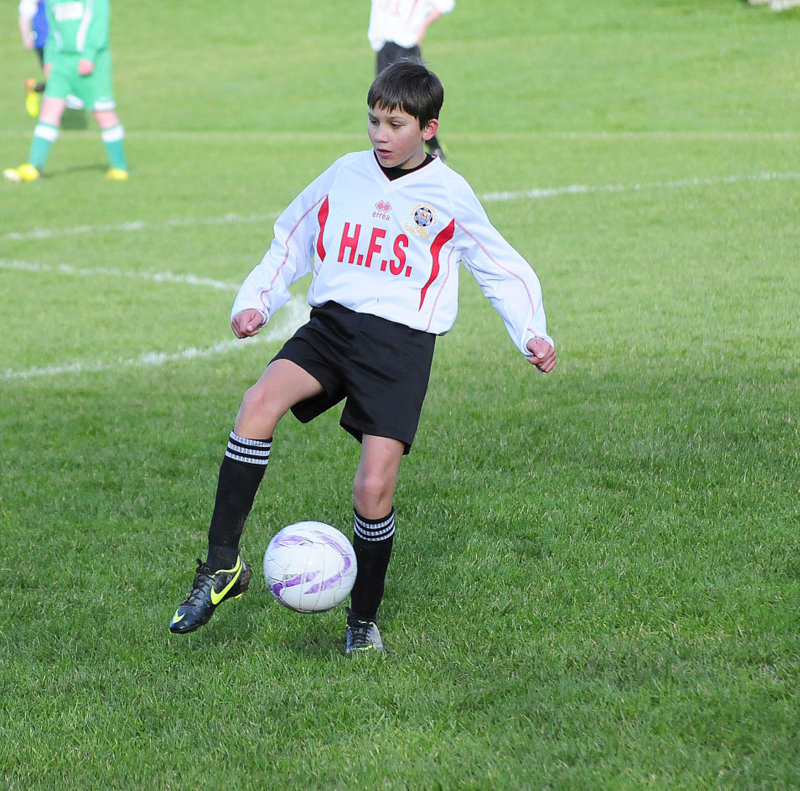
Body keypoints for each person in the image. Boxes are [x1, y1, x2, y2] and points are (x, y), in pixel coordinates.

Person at [168, 61, 557, 655]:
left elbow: (500, 266)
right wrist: (256, 301)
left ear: (428, 128)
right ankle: (221, 566)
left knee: (372, 489)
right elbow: (291, 237)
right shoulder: (344, 174)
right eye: (374, 120)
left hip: (400, 347)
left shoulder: (448, 193)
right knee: (257, 404)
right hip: (332, 327)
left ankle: (362, 621)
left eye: (395, 124)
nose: (380, 134)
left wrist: (531, 331)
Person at [4, 0, 128, 182]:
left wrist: (89, 55)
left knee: (103, 113)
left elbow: (98, 24)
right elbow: (53, 31)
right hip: (62, 62)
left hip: (92, 63)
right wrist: (49, 59)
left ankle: (119, 167)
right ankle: (34, 167)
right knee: (49, 109)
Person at [367, 0, 454, 159]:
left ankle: (432, 147)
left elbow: (445, 4)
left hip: (405, 45)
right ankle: (389, 150)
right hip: (383, 46)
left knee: (409, 104)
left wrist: (422, 26)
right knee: (383, 102)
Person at [17, 0, 48, 117]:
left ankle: (35, 89)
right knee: (56, 77)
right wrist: (26, 37)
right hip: (45, 42)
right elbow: (25, 14)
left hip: (67, 43)